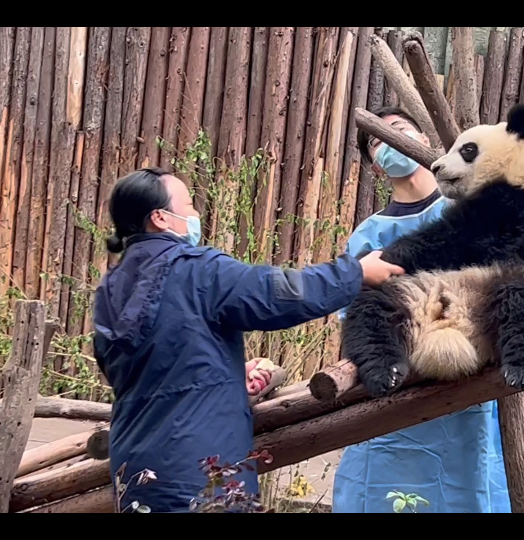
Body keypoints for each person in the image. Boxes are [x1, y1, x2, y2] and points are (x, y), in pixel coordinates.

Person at [91, 166, 404, 513]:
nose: (195, 214)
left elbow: (138, 367)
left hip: (134, 462)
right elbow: (278, 295)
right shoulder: (197, 269)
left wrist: (221, 372)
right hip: (200, 467)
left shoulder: (111, 286)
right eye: (190, 205)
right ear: (161, 218)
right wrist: (355, 273)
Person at [332, 107, 524, 513]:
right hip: (407, 378)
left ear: (425, 142)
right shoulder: (369, 233)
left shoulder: (475, 194)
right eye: (377, 141)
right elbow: (352, 302)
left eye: (399, 130)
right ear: (375, 168)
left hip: (474, 376)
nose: (389, 141)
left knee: (470, 488)